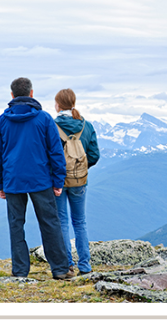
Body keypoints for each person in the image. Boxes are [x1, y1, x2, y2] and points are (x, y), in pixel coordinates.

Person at [0, 77, 74, 280]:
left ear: (12, 95)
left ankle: (20, 272)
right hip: (41, 180)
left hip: (13, 181)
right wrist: (58, 180)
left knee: (16, 225)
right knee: (50, 223)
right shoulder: (44, 119)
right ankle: (61, 269)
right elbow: (55, 152)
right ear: (31, 93)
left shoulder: (1, 121)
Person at [52, 88, 100, 276]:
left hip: (58, 182)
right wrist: (80, 169)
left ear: (58, 105)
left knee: (62, 221)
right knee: (80, 222)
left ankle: (67, 265)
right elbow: (94, 155)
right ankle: (85, 266)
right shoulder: (86, 126)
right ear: (73, 103)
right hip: (80, 181)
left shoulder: (52, 125)